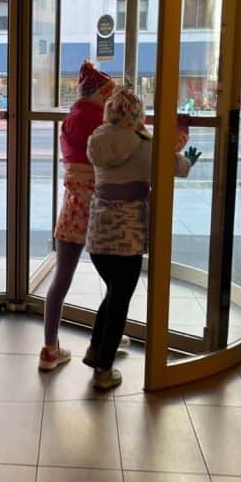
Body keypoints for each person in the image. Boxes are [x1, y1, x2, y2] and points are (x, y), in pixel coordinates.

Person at [85, 86, 200, 390]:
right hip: (128, 239)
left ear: (109, 111)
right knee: (119, 301)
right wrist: (186, 159)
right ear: (138, 115)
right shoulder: (145, 146)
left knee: (112, 294)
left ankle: (96, 350)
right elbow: (177, 167)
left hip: (98, 236)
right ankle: (103, 370)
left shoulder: (97, 140)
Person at [38, 61, 116, 371]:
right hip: (101, 211)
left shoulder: (70, 120)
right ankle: (106, 337)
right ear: (101, 93)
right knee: (114, 281)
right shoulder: (105, 120)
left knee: (60, 280)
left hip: (72, 211)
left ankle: (49, 348)